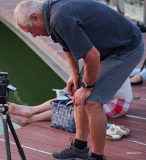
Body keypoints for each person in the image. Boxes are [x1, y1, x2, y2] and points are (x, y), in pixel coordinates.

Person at [14, 0, 144, 160]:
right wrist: (75, 74)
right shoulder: (51, 16)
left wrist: (88, 87)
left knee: (93, 101)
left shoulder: (59, 19)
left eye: (30, 30)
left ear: (35, 18)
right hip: (108, 47)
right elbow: (67, 45)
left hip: (126, 47)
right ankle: (79, 148)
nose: (33, 35)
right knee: (77, 89)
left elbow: (93, 57)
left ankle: (97, 156)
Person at [8, 78, 132, 126]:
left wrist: (80, 93)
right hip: (103, 98)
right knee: (68, 96)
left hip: (117, 104)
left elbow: (109, 95)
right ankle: (32, 110)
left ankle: (29, 119)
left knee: (78, 107)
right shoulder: (96, 60)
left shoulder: (111, 65)